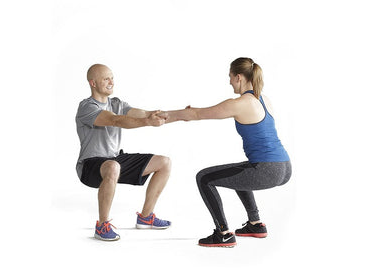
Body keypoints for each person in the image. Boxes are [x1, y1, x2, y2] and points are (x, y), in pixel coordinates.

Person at [164, 57, 292, 247]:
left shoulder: (241, 103)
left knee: (204, 178)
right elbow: (199, 113)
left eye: (230, 77)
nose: (229, 81)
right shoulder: (264, 99)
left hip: (267, 169)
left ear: (239, 77)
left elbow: (198, 114)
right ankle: (255, 224)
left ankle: (223, 233)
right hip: (284, 166)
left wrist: (167, 116)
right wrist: (193, 113)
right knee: (239, 172)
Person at [75, 64, 172, 241]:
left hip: (114, 159)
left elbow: (144, 113)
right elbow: (115, 120)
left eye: (112, 77)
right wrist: (147, 122)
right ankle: (102, 225)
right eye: (106, 78)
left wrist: (179, 114)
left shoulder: (117, 103)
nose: (111, 82)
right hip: (90, 165)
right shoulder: (86, 107)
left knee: (164, 163)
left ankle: (146, 217)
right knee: (113, 166)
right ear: (93, 83)